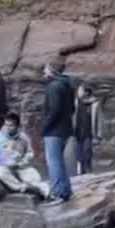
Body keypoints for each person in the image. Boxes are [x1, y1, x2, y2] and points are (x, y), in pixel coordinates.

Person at [0, 111, 49, 200]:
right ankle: (23, 188)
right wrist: (4, 160)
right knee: (0, 172)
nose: (8, 128)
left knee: (33, 175)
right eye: (6, 125)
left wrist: (24, 161)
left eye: (11, 125)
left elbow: (30, 152)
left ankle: (47, 194)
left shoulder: (23, 137)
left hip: (21, 166)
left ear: (17, 126)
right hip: (5, 167)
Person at [43, 59, 75, 204]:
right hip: (65, 128)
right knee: (59, 161)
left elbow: (54, 110)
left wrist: (45, 127)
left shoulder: (53, 86)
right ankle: (66, 190)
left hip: (54, 130)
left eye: (46, 68)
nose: (44, 71)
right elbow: (72, 109)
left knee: (54, 162)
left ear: (51, 70)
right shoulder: (67, 85)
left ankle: (58, 193)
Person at [74, 83, 102, 174]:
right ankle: (80, 170)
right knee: (78, 152)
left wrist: (99, 134)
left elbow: (99, 119)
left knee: (87, 151)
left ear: (86, 92)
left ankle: (88, 168)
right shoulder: (76, 102)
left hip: (88, 131)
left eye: (80, 90)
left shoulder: (94, 103)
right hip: (77, 131)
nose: (78, 92)